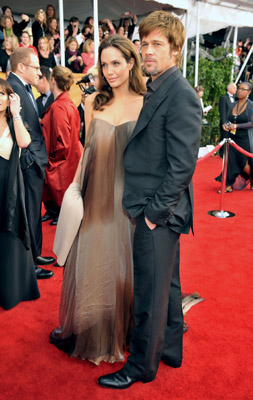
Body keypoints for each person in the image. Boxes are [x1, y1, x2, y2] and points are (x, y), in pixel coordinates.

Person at [97, 11, 202, 389]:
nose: (148, 50)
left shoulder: (181, 95)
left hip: (158, 210)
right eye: (144, 43)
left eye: (157, 43)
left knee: (149, 293)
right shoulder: (160, 86)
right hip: (153, 206)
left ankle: (140, 366)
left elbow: (182, 165)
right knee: (168, 286)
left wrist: (154, 215)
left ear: (175, 48)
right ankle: (170, 350)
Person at [49, 35, 146, 364]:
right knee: (93, 261)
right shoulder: (91, 102)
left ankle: (125, 327)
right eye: (104, 65)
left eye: (116, 63)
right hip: (96, 194)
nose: (110, 71)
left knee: (124, 263)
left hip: (129, 198)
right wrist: (77, 194)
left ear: (131, 63)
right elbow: (88, 151)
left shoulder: (146, 102)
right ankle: (89, 326)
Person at [7, 48, 54, 278]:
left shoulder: (23, 88)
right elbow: (18, 129)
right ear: (21, 67)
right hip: (27, 161)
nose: (39, 71)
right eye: (35, 67)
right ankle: (28, 265)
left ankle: (34, 255)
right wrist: (31, 160)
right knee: (27, 213)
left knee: (34, 211)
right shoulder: (13, 88)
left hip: (33, 159)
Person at [0, 78, 40, 310]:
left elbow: (24, 142)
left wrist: (16, 114)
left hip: (11, 184)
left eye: (3, 94)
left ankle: (12, 288)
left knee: (11, 229)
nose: (0, 98)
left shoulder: (15, 121)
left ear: (9, 98)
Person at [40, 66, 82, 226]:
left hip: (61, 160)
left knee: (60, 190)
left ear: (53, 81)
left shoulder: (59, 107)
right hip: (68, 157)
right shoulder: (67, 103)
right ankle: (53, 212)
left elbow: (62, 142)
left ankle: (57, 212)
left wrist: (52, 161)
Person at [216, 82, 253, 192]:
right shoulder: (233, 104)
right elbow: (229, 118)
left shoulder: (251, 106)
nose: (239, 91)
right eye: (239, 88)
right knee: (230, 162)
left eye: (243, 89)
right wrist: (226, 124)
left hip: (245, 138)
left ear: (249, 92)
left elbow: (252, 123)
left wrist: (237, 125)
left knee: (243, 163)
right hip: (232, 138)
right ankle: (227, 185)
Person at [218, 82, 237, 153]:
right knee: (224, 138)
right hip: (226, 122)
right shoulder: (223, 98)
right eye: (234, 88)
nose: (236, 89)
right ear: (229, 89)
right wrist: (224, 123)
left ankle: (229, 153)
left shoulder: (235, 98)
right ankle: (222, 153)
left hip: (233, 122)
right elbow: (222, 111)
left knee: (231, 139)